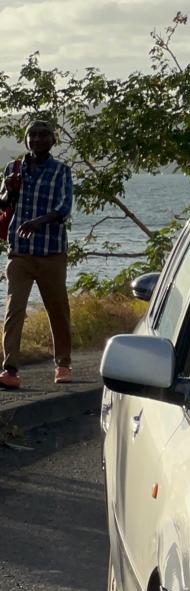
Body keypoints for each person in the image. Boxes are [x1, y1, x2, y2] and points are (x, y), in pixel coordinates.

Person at [0, 120, 75, 389]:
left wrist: (37, 222)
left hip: (51, 252)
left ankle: (63, 364)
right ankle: (10, 369)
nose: (38, 139)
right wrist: (9, 190)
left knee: (57, 309)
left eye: (44, 135)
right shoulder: (14, 169)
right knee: (14, 310)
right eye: (33, 134)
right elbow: (4, 204)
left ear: (53, 140)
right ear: (26, 139)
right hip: (19, 253)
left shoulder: (61, 171)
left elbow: (64, 208)